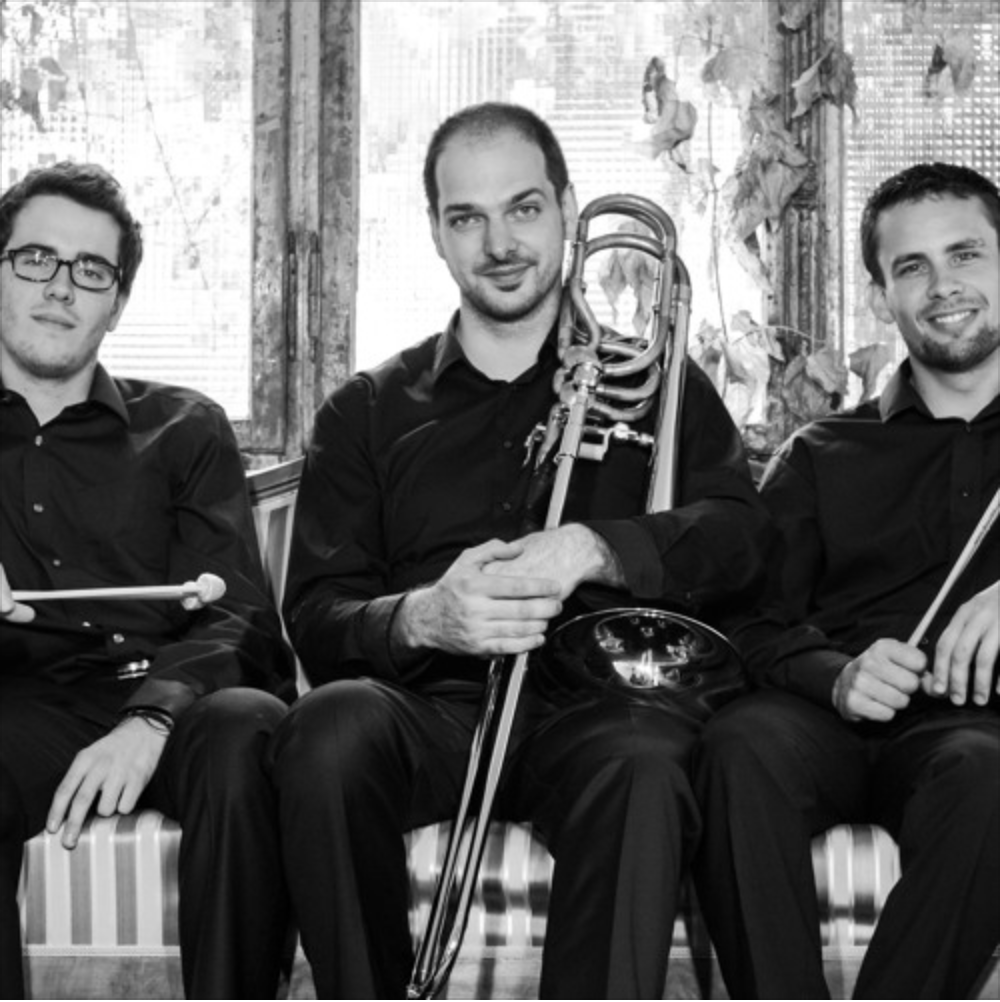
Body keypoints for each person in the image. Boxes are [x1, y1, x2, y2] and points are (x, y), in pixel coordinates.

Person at [271, 101, 772, 999]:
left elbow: (742, 540)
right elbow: (316, 615)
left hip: (598, 713)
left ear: (568, 210)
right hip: (430, 713)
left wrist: (596, 547)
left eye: (525, 208)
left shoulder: (659, 383)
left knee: (645, 762)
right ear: (436, 232)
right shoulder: (366, 411)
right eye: (467, 217)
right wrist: (423, 617)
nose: (499, 243)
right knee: (327, 727)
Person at [693, 161, 1000, 999]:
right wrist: (837, 677)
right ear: (880, 295)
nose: (943, 286)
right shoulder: (820, 453)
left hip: (976, 735)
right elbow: (749, 627)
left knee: (990, 774)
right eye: (912, 266)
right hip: (823, 724)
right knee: (739, 746)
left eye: (966, 254)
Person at [0, 162, 296, 999]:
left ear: (118, 302)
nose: (62, 287)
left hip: (175, 703)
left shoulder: (185, 428)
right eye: (36, 259)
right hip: (18, 707)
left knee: (247, 727)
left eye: (92, 270)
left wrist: (152, 716)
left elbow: (240, 614)